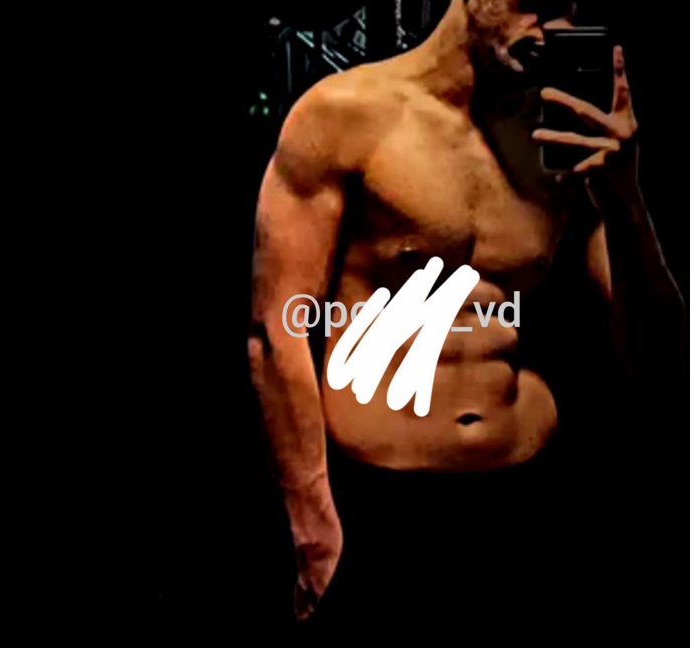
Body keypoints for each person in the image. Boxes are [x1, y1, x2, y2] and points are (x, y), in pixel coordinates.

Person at [247, 0, 687, 634]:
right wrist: (312, 521)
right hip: (382, 506)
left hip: (533, 494)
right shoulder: (345, 114)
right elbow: (275, 333)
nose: (554, 29)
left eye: (570, 8)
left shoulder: (559, 131)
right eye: (539, 2)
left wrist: (626, 201)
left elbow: (656, 358)